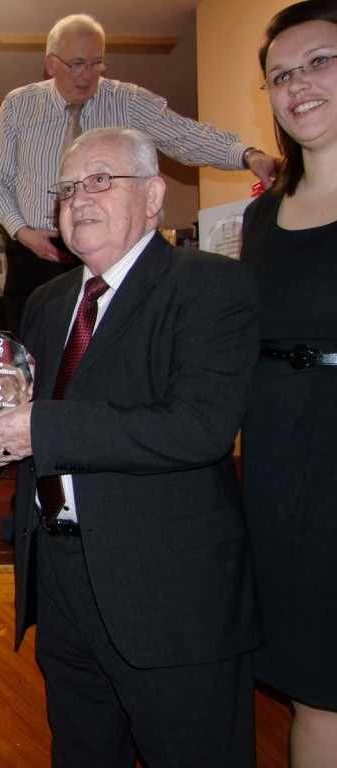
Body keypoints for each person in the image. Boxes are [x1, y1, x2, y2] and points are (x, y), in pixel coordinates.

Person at [0, 127, 261, 766]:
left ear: (154, 196)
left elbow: (197, 428)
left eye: (101, 180)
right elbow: (34, 421)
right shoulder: (47, 303)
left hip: (170, 596)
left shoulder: (211, 286)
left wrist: (40, 429)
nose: (78, 200)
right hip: (64, 586)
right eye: (67, 188)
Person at [0, 12, 276, 338]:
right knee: (32, 353)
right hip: (38, 252)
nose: (88, 75)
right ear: (51, 64)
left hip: (115, 252)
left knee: (110, 348)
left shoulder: (129, 100)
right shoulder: (19, 105)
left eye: (98, 63)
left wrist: (249, 156)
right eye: (77, 64)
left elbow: (186, 136)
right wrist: (21, 232)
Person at [241, 3, 337, 765]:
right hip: (281, 470)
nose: (299, 84)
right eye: (281, 75)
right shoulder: (261, 219)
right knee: (316, 688)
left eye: (320, 62)